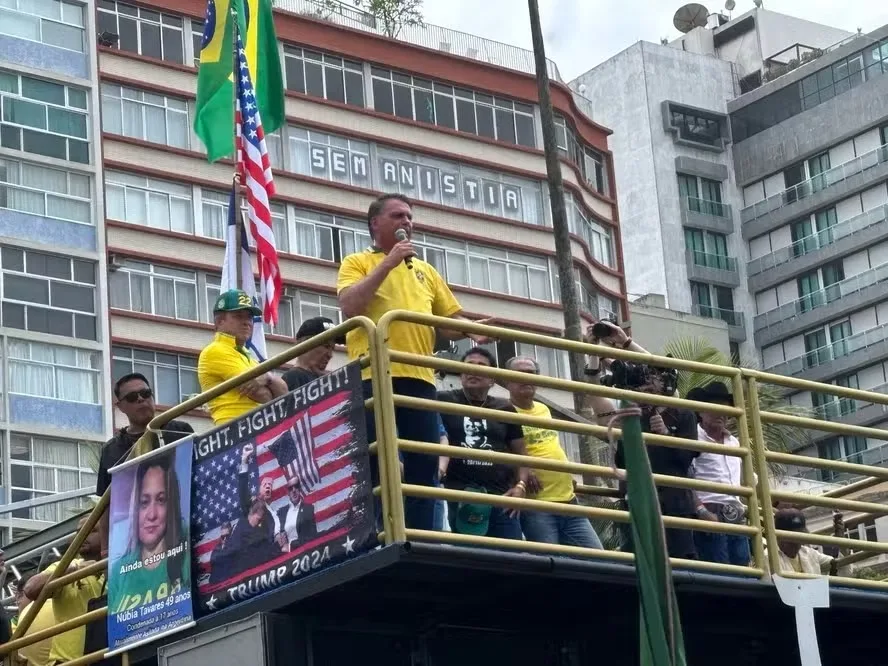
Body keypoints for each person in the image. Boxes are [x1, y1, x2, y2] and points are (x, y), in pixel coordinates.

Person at [337, 193, 494, 530]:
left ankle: (420, 535)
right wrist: (388, 262)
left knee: (423, 464)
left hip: (420, 377)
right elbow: (350, 306)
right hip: (373, 373)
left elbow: (449, 320)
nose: (406, 222)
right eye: (398, 216)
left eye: (409, 216)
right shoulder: (357, 261)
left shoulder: (425, 270)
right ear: (375, 223)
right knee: (376, 460)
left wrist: (473, 332)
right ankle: (378, 533)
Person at [583, 321, 700, 559]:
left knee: (682, 559)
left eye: (651, 382)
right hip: (636, 497)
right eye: (641, 384)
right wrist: (593, 351)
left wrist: (624, 341)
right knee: (639, 557)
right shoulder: (627, 415)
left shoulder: (680, 411)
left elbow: (666, 372)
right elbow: (593, 391)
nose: (646, 386)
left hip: (674, 500)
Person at [437, 348, 538, 539]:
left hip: (501, 497)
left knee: (510, 561)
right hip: (455, 495)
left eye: (481, 366)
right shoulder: (442, 400)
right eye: (468, 366)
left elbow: (521, 454)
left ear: (492, 379)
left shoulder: (504, 408)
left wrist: (521, 486)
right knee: (464, 561)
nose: (473, 371)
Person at [504, 356, 603, 550]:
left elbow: (550, 445)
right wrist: (524, 470)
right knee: (551, 564)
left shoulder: (543, 409)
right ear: (507, 380)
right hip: (537, 505)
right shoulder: (503, 410)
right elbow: (501, 449)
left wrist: (564, 473)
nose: (526, 378)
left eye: (531, 374)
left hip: (568, 499)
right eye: (519, 374)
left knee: (600, 559)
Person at [97, 373, 193, 557]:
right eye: (133, 397)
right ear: (121, 407)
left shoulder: (179, 431)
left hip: (184, 533)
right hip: (133, 551)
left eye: (145, 393)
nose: (141, 399)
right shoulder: (111, 449)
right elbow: (106, 506)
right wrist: (105, 551)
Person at [108, 453, 188, 613]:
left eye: (161, 500)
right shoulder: (119, 570)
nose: (151, 515)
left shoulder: (186, 555)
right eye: (144, 503)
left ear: (171, 504)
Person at [198, 289, 288, 424]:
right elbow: (263, 396)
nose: (247, 322)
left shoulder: (248, 357)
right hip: (233, 431)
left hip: (255, 431)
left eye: (249, 317)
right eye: (239, 316)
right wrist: (269, 385)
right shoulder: (215, 350)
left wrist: (267, 378)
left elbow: (285, 394)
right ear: (220, 322)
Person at [687, 382, 751, 566]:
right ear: (701, 411)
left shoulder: (734, 442)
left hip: (736, 515)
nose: (721, 414)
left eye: (725, 409)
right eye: (715, 408)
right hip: (709, 511)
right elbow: (686, 477)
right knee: (719, 569)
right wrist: (701, 511)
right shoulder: (693, 437)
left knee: (743, 570)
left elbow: (742, 481)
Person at [25, 518, 104, 666]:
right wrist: (76, 570)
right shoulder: (67, 567)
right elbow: (30, 589)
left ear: (107, 534)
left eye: (92, 530)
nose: (83, 535)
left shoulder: (120, 570)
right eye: (79, 532)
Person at [210, 501, 283, 584]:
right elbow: (257, 556)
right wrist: (277, 547)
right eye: (258, 519)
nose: (259, 523)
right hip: (228, 579)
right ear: (251, 514)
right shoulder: (243, 531)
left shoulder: (250, 528)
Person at [282, 316, 345, 390]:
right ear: (305, 345)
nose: (330, 355)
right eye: (326, 346)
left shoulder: (327, 382)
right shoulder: (293, 378)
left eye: (332, 349)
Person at [766, 509, 833, 575]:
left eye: (801, 534)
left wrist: (840, 537)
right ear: (782, 535)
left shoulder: (809, 553)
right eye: (796, 534)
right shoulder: (768, 557)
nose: (800, 538)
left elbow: (837, 563)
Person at [238, 444, 281, 540]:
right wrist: (244, 460)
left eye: (270, 485)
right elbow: (243, 489)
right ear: (259, 489)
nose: (268, 487)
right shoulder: (251, 506)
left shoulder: (274, 512)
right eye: (265, 485)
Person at [277, 476, 318, 551]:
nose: (294, 490)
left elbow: (312, 537)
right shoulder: (281, 513)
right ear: (288, 493)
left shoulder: (308, 509)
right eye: (290, 488)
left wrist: (290, 546)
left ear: (300, 489)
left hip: (303, 553)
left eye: (296, 486)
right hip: (285, 557)